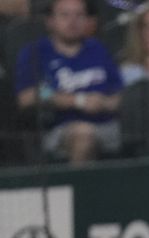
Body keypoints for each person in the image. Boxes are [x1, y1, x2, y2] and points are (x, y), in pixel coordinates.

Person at [14, 0, 123, 165]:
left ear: (87, 20)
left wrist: (105, 103)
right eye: (65, 15)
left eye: (79, 15)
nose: (72, 21)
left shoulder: (98, 49)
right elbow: (27, 96)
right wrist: (76, 101)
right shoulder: (35, 52)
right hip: (59, 129)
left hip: (107, 125)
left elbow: (121, 95)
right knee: (84, 134)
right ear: (50, 21)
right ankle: (81, 190)